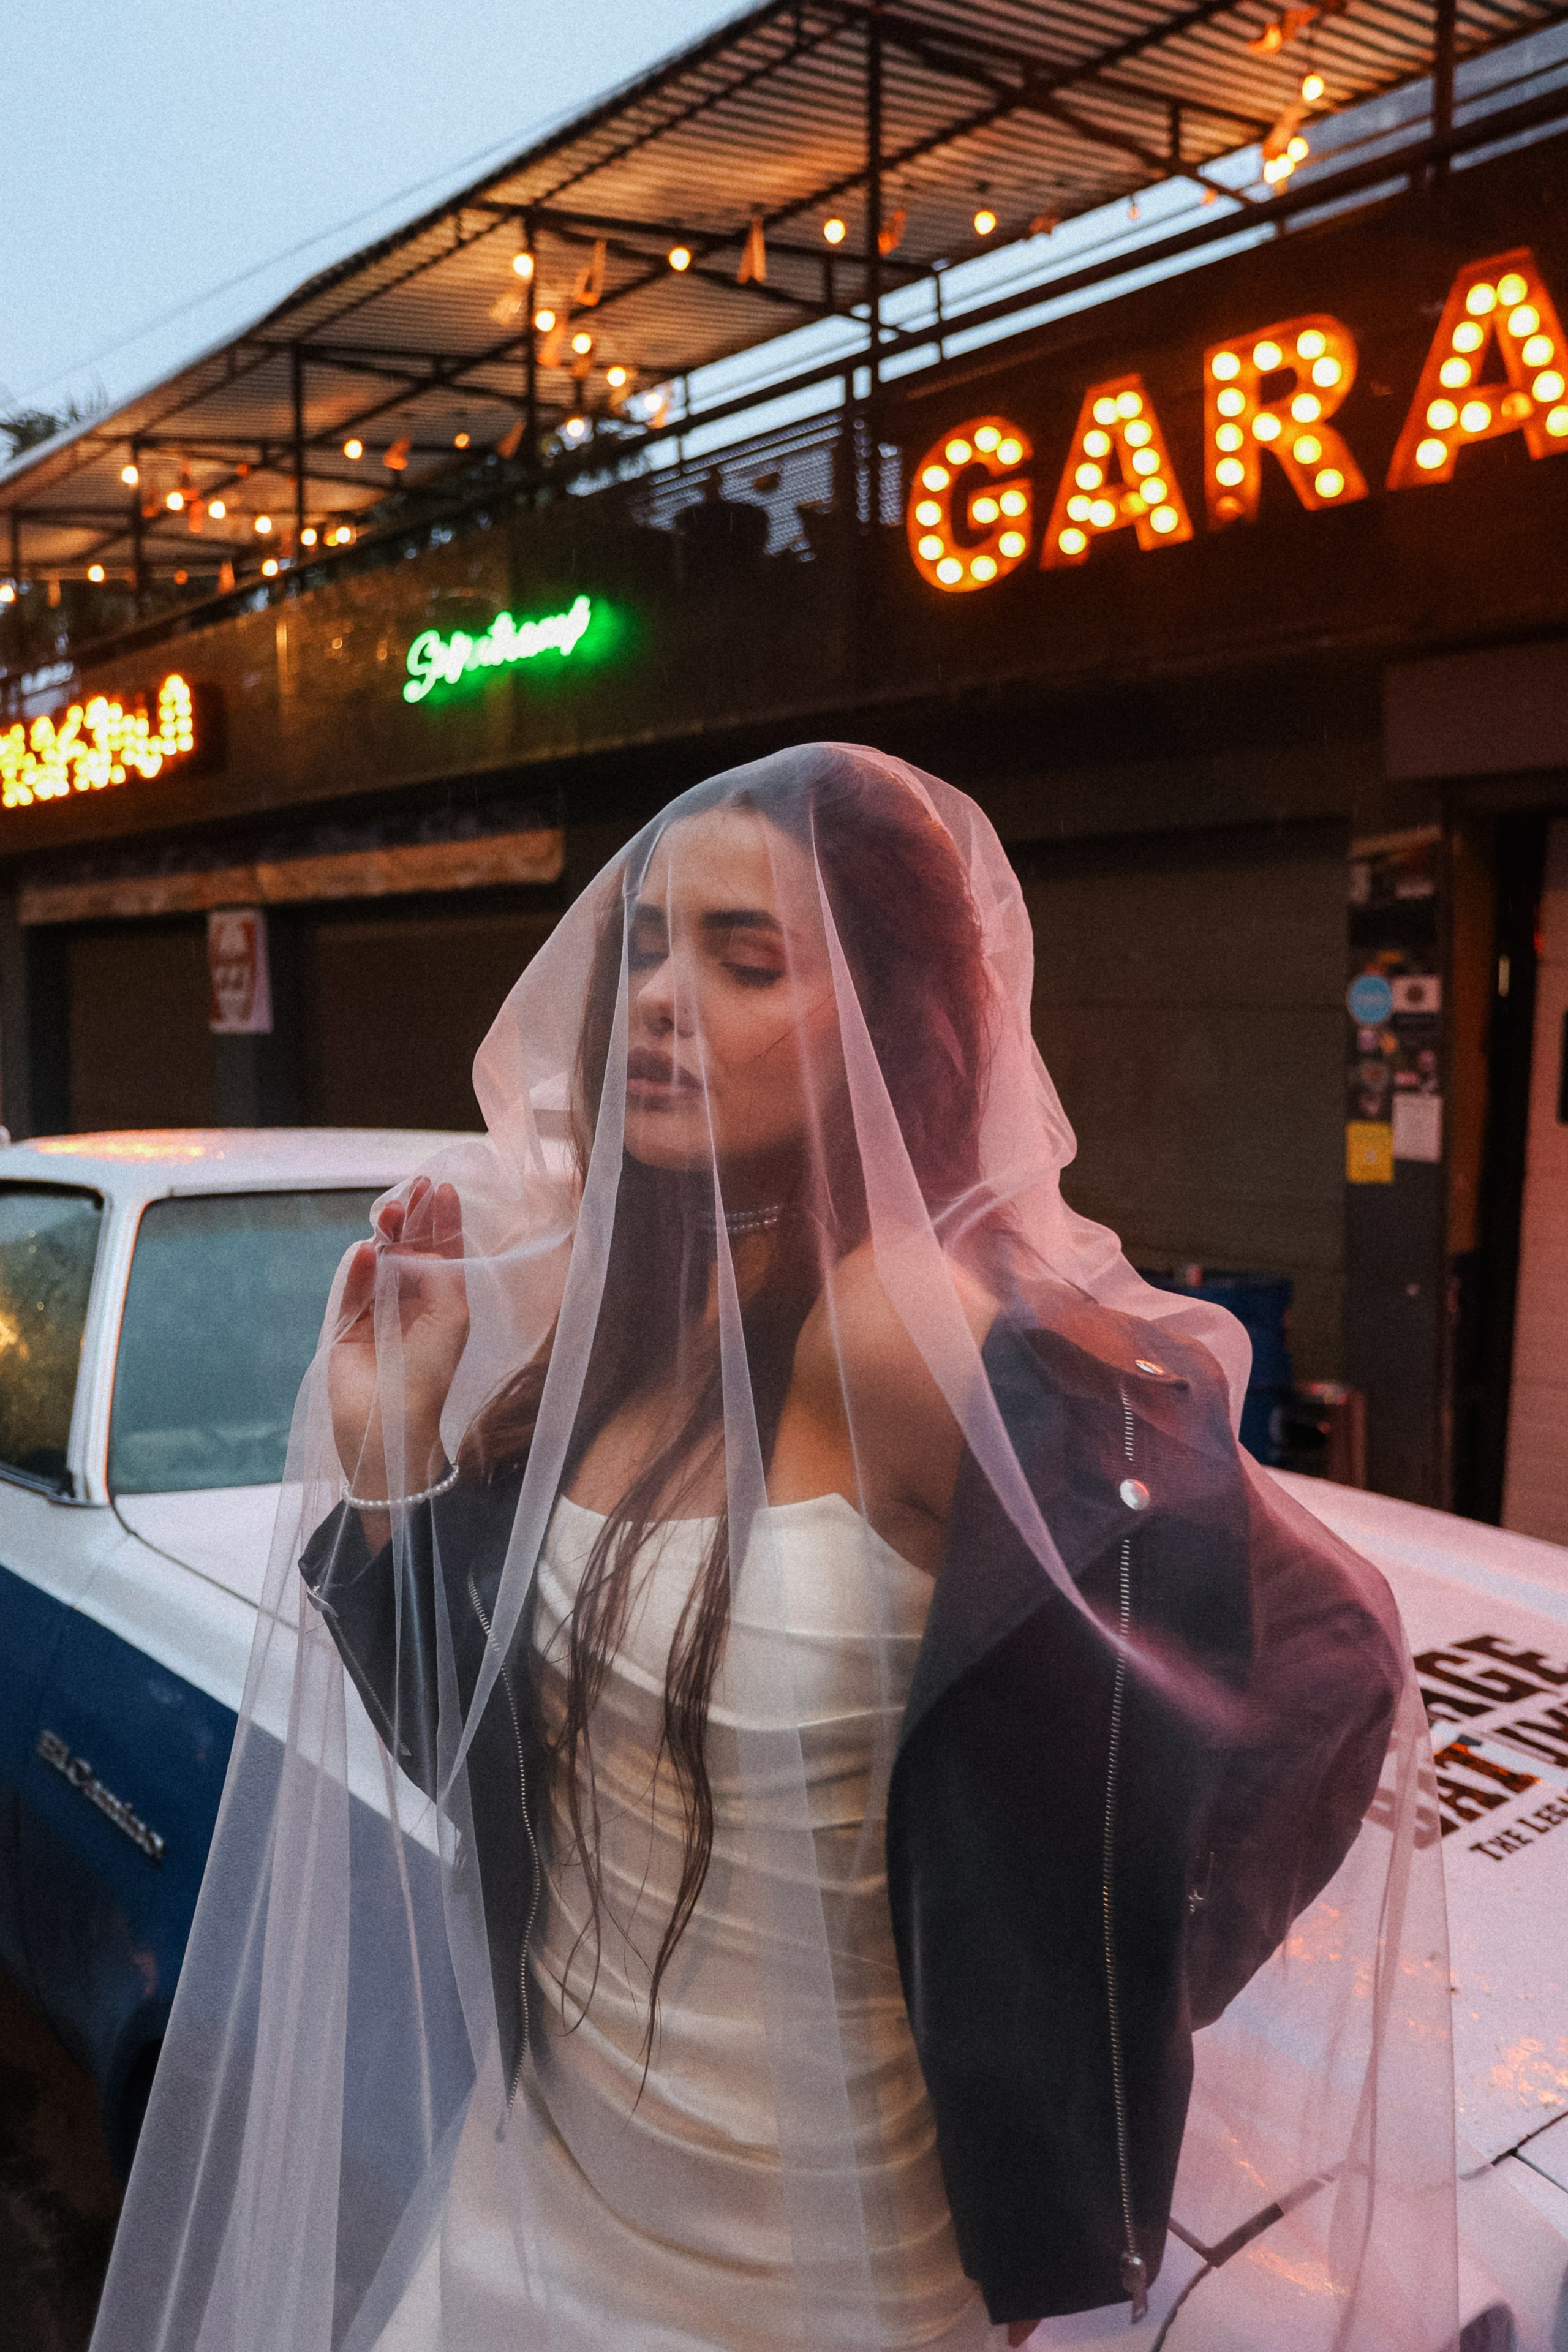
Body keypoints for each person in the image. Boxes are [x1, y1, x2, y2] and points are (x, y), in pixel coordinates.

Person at [91, 745, 1457, 2352]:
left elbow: (1327, 1658)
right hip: (529, 2212)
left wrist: (1066, 2030)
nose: (662, 1000)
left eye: (745, 960)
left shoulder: (899, 1330)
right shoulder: (619, 1335)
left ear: (885, 1020)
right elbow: (493, 1771)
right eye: (646, 950)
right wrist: (394, 1461)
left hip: (830, 2290)